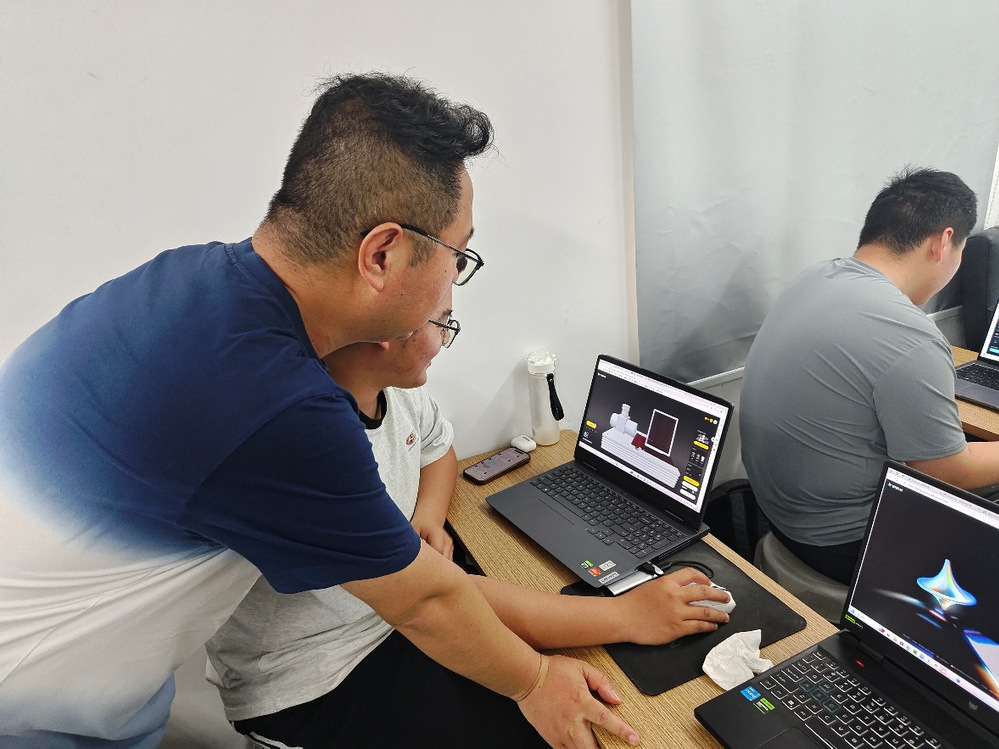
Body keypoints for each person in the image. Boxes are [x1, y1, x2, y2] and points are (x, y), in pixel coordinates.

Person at [0, 72, 663, 749]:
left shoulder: (190, 279)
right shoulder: (279, 404)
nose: (453, 282)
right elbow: (425, 601)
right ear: (382, 253)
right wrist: (534, 681)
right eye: (458, 255)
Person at [206, 293, 731, 748]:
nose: (446, 338)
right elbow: (434, 600)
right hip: (313, 678)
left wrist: (428, 518)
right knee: (568, 722)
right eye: (442, 322)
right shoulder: (305, 443)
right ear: (388, 331)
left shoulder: (397, 387)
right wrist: (620, 619)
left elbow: (438, 450)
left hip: (393, 618)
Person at [740, 167, 999, 584]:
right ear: (943, 242)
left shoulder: (814, 279)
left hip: (780, 515)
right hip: (846, 542)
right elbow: (949, 472)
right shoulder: (909, 335)